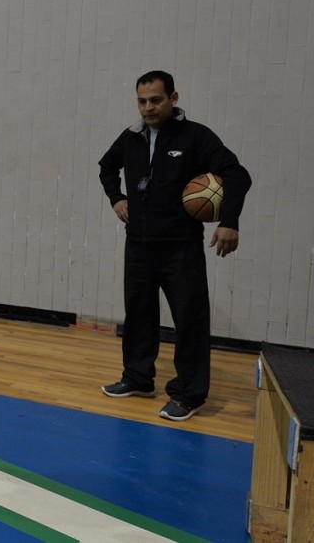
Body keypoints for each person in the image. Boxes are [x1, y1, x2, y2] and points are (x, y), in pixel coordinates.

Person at [98, 70, 252, 421]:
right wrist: (116, 198)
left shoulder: (196, 137)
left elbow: (237, 174)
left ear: (173, 98)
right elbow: (107, 167)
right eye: (142, 101)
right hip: (137, 244)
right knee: (138, 314)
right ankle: (137, 378)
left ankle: (188, 395)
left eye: (156, 100)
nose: (149, 107)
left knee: (189, 321)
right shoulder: (131, 137)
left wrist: (230, 220)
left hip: (180, 247)